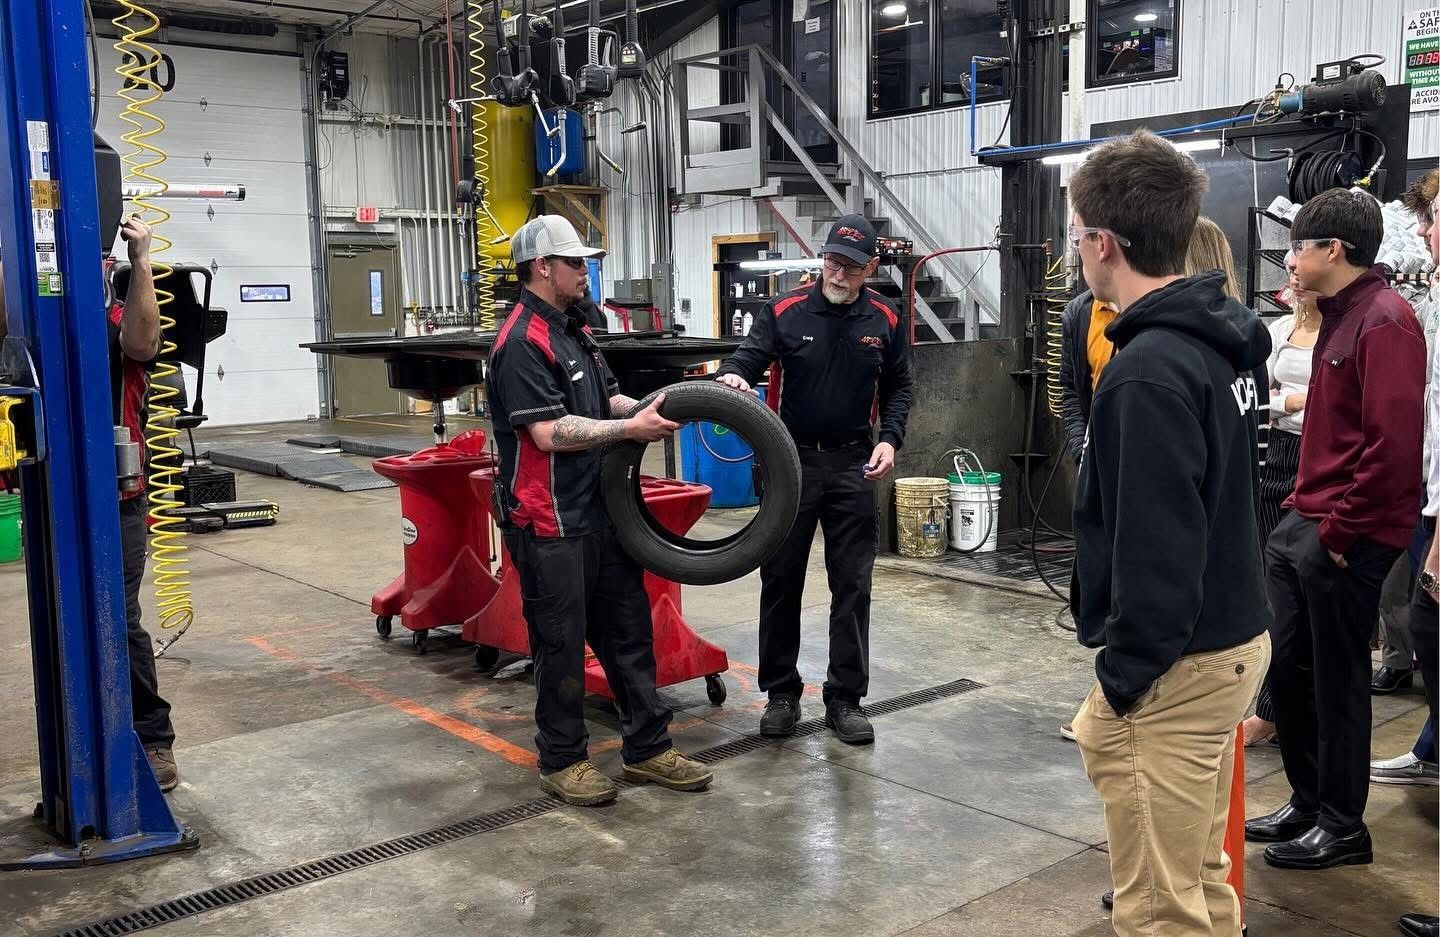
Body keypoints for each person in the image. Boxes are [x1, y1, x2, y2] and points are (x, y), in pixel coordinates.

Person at [1068, 130, 1272, 937]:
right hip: (1229, 635)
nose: (1076, 250)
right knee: (1201, 876)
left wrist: (1124, 678)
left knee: (1159, 909)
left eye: (1078, 233)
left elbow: (1159, 548)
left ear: (1105, 243)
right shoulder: (1218, 343)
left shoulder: (1147, 369)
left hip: (1179, 660)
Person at [485, 214, 711, 806]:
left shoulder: (575, 330)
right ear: (542, 268)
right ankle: (562, 760)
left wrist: (652, 409)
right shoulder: (520, 343)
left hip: (600, 511)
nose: (585, 272)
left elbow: (607, 396)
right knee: (560, 643)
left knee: (628, 630)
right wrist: (626, 428)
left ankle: (648, 749)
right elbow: (545, 433)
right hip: (548, 519)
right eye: (575, 263)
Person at [1245, 188, 1426, 871]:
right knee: (1291, 673)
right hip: (1306, 519)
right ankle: (1308, 798)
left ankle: (1344, 824)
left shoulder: (1385, 321)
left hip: (1346, 535)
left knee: (1337, 680)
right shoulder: (1338, 319)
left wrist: (1337, 536)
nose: (1291, 258)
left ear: (1334, 250)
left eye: (1299, 246)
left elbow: (1391, 449)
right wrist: (1300, 518)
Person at [715, 214, 913, 744]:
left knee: (853, 584)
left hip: (854, 464)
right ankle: (781, 693)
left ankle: (845, 699)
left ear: (871, 268)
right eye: (831, 260)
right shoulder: (783, 311)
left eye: (850, 265)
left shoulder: (887, 321)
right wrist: (734, 374)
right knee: (781, 581)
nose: (837, 272)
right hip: (790, 465)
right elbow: (747, 358)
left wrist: (890, 439)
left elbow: (899, 388)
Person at [1, 216, 179, 790]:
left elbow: (144, 343)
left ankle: (152, 737)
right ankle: (80, 732)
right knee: (59, 612)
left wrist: (142, 259)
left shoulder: (114, 320)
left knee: (120, 621)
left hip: (118, 498)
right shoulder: (35, 325)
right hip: (50, 491)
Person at [1372, 168, 1440, 796]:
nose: (1424, 230)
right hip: (1426, 493)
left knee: (1428, 625)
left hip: (1435, 504)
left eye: (1434, 218)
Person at [1241, 260, 1321, 748]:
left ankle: (1295, 706)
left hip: (1321, 456)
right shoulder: (1279, 329)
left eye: (1301, 266)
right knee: (1276, 598)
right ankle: (1271, 709)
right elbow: (1260, 400)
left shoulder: (1339, 332)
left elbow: (1332, 399)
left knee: (1307, 598)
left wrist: (1289, 399)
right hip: (1279, 458)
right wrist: (1291, 402)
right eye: (1289, 268)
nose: (1293, 274)